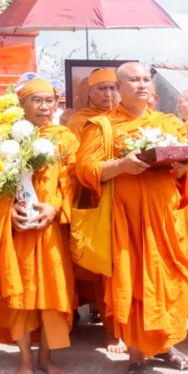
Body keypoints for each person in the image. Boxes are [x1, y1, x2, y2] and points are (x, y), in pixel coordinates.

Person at [76, 61, 188, 374]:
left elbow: (187, 169)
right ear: (119, 86)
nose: (142, 84)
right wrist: (121, 166)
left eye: (146, 79)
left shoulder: (169, 123)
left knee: (169, 281)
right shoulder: (101, 126)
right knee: (134, 285)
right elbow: (86, 169)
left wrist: (184, 169)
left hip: (166, 218)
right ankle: (137, 355)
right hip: (125, 220)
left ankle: (165, 344)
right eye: (134, 79)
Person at [0, 78, 77, 374]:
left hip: (50, 230)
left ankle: (45, 357)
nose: (45, 107)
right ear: (22, 106)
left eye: (50, 101)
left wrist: (54, 207)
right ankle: (25, 359)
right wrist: (8, 211)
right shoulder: (2, 140)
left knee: (53, 295)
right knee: (20, 295)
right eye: (37, 101)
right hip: (17, 230)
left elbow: (70, 184)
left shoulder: (65, 139)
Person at [63, 67, 126, 353]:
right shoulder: (79, 121)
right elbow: (71, 162)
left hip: (124, 200)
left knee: (115, 266)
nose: (109, 94)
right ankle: (74, 313)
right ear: (90, 93)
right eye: (102, 89)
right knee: (88, 262)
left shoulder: (127, 119)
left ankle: (114, 324)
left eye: (114, 88)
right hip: (87, 197)